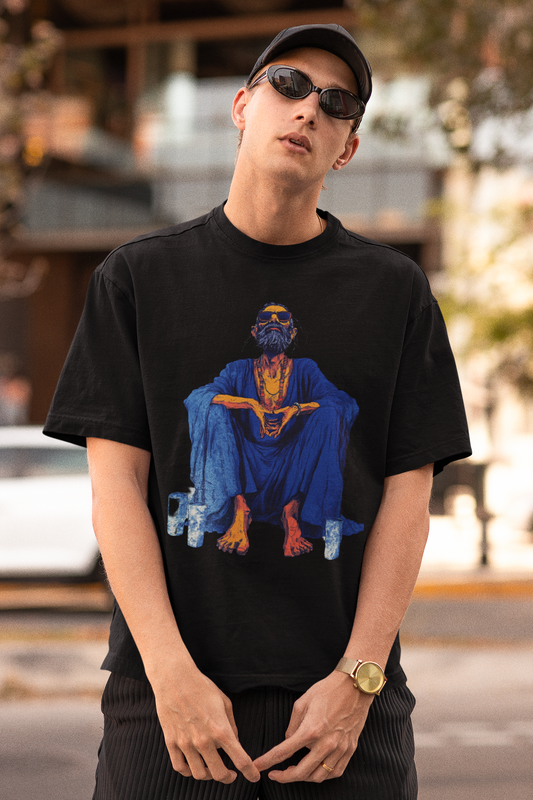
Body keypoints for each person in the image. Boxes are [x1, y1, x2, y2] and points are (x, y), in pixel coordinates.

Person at [44, 23, 471, 800]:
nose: (308, 109)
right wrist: (170, 675)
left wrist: (359, 679)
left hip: (342, 698)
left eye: (336, 103)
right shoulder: (136, 279)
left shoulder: (392, 292)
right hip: (172, 693)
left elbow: (408, 497)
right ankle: (235, 515)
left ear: (347, 149)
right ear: (241, 106)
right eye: (288, 84)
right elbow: (116, 491)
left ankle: (297, 520)